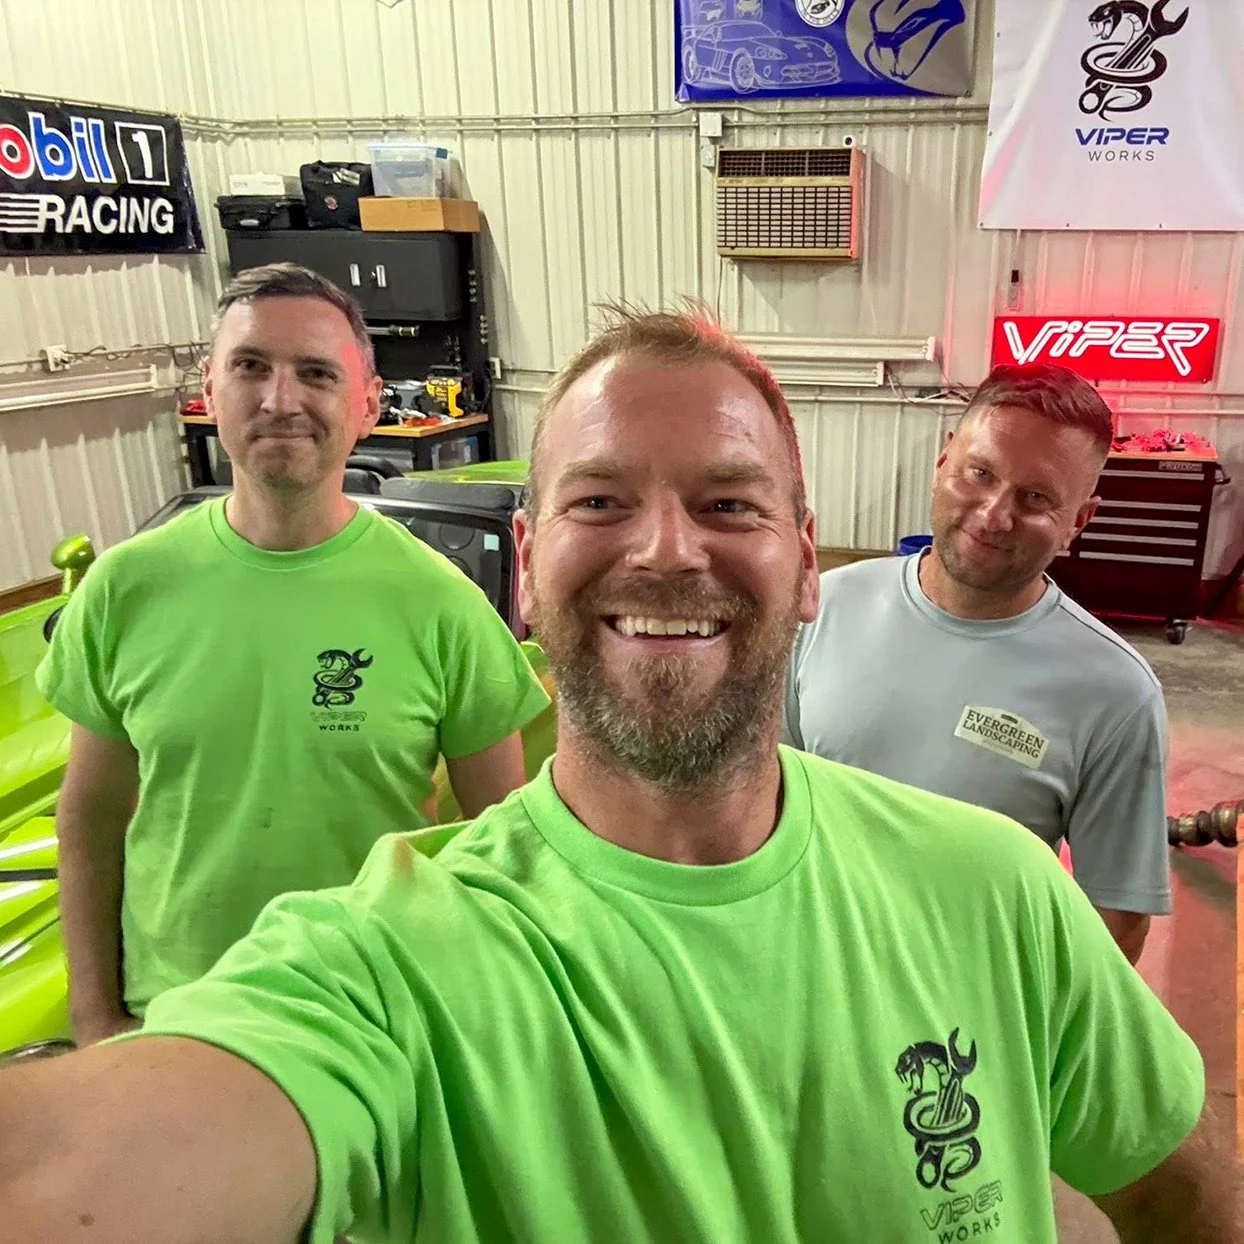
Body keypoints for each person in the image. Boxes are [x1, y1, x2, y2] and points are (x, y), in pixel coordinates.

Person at [4, 310, 1233, 1244]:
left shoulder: (999, 890)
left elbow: (1178, 1181)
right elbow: (83, 1167)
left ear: (802, 563)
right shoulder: (381, 967)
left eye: (725, 502)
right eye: (601, 499)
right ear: (528, 565)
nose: (663, 548)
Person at [34, 262, 549, 1044]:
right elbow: (91, 820)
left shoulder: (439, 604)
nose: (281, 400)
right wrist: (95, 1015)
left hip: (369, 1021)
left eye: (315, 372)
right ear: (209, 389)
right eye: (250, 367)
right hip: (175, 1018)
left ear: (367, 403)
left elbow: (499, 848)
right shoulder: (125, 588)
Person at [784, 363, 1169, 965]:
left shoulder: (1114, 693)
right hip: (805, 962)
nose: (994, 514)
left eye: (1037, 498)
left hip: (960, 1017)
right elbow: (760, 797)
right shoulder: (824, 608)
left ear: (1079, 521)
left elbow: (1114, 920)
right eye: (980, 473)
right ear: (943, 464)